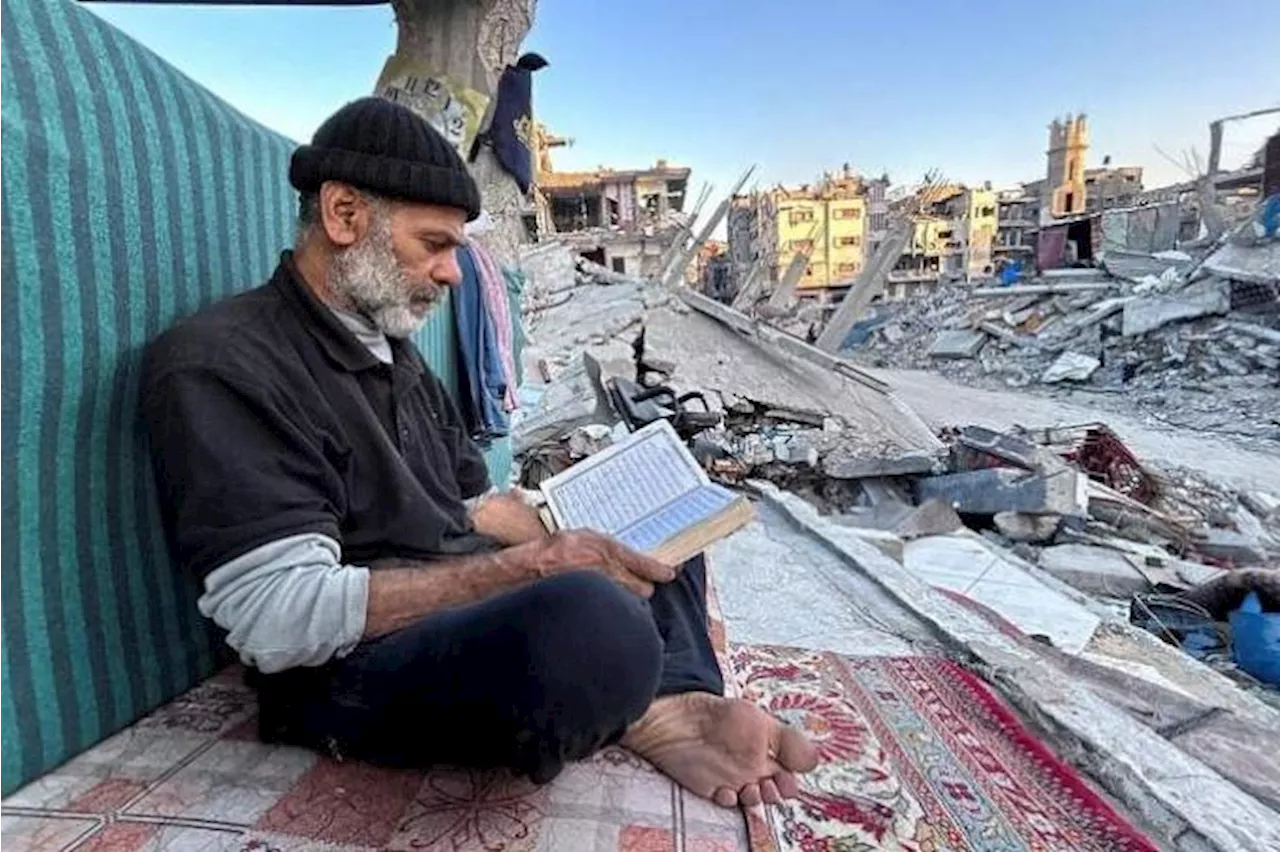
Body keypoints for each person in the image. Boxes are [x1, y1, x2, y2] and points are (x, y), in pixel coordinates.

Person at [140, 97, 816, 809]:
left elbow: (464, 502)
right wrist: (527, 568)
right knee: (592, 623)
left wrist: (551, 526)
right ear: (343, 216)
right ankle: (650, 700)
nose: (453, 274)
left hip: (464, 591)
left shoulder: (394, 352)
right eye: (434, 244)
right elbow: (276, 616)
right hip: (355, 666)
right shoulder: (225, 363)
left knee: (665, 529)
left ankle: (674, 699)